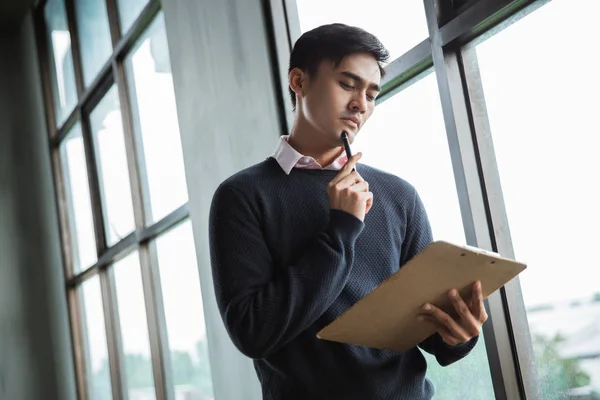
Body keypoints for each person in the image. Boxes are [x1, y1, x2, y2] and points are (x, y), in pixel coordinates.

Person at [209, 23, 487, 400]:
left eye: (372, 93)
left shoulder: (398, 195)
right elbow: (253, 332)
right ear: (299, 81)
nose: (361, 104)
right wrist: (340, 229)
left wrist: (460, 335)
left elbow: (433, 336)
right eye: (347, 84)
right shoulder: (241, 196)